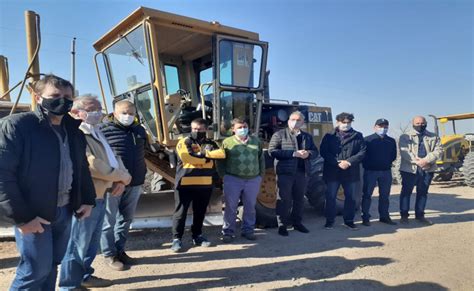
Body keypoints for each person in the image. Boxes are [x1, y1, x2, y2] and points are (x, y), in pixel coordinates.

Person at [0, 74, 95, 290]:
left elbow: (81, 168)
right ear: (37, 97)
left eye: (68, 96)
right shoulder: (17, 127)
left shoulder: (73, 131)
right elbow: (2, 175)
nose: (62, 100)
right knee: (34, 271)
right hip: (35, 213)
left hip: (63, 211)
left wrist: (87, 199)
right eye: (55, 95)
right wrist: (23, 218)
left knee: (52, 265)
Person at [59, 95, 131, 289]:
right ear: (76, 111)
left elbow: (113, 156)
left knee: (90, 242)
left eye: (100, 108)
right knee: (77, 244)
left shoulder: (97, 131)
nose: (98, 112)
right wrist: (120, 177)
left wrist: (123, 178)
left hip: (100, 194)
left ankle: (84, 275)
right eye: (93, 108)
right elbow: (92, 164)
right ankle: (69, 286)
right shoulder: (77, 133)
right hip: (85, 197)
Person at [99, 100, 147, 270]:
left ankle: (120, 251)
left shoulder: (139, 130)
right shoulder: (103, 130)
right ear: (115, 113)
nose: (128, 116)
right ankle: (109, 254)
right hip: (113, 184)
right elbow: (101, 159)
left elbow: (144, 153)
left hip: (135, 182)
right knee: (108, 221)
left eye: (131, 113)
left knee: (125, 220)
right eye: (124, 113)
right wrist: (114, 179)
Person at [171, 118, 225, 252]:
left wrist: (201, 155)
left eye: (199, 129)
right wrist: (207, 158)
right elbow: (187, 158)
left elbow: (221, 154)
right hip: (185, 183)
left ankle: (197, 236)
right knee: (180, 213)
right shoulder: (184, 141)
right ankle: (176, 239)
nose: (196, 131)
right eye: (194, 129)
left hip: (204, 184)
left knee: (200, 212)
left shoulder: (211, 143)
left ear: (206, 129)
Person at [268, 111, 319, 236]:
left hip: (302, 172)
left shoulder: (307, 136)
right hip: (285, 172)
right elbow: (272, 151)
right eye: (293, 119)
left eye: (298, 120)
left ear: (302, 122)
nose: (295, 122)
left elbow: (315, 151)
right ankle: (282, 225)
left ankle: (297, 223)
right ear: (288, 120)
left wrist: (309, 154)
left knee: (299, 199)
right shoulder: (279, 134)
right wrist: (293, 154)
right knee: (284, 199)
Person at [217, 118, 265, 243]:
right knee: (230, 207)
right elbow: (220, 160)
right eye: (239, 127)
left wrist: (260, 175)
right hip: (233, 179)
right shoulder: (227, 142)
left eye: (244, 126)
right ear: (233, 129)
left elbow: (261, 159)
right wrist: (224, 176)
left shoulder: (256, 141)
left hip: (253, 179)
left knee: (250, 206)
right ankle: (228, 232)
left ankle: (248, 230)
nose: (242, 129)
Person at [320, 112, 366, 230]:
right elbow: (324, 152)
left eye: (348, 122)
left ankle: (349, 220)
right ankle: (329, 221)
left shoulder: (358, 136)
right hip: (332, 171)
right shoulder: (329, 136)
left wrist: (348, 162)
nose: (346, 124)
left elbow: (362, 152)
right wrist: (337, 162)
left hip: (350, 172)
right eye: (343, 122)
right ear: (338, 122)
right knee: (330, 197)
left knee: (350, 198)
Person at [398, 116, 443, 225]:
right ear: (412, 124)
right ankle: (404, 216)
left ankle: (420, 215)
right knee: (406, 192)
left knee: (422, 192)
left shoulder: (434, 137)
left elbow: (439, 150)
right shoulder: (405, 136)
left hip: (427, 168)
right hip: (410, 169)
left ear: (426, 123)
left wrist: (426, 160)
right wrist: (418, 162)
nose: (420, 125)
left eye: (422, 123)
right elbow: (405, 152)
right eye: (417, 123)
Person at [361, 118, 397, 226]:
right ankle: (366, 217)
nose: (383, 129)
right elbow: (363, 155)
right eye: (380, 126)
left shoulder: (391, 141)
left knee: (385, 196)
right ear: (375, 127)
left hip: (386, 172)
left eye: (385, 127)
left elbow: (393, 156)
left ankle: (384, 216)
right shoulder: (367, 140)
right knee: (367, 195)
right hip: (370, 172)